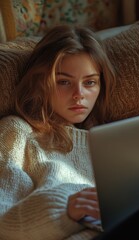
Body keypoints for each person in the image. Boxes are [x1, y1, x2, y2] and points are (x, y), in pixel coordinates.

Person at [0, 25, 115, 240]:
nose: (79, 95)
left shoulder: (115, 138)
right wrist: (66, 209)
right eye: (64, 82)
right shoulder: (17, 133)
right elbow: (2, 220)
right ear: (39, 82)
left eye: (90, 82)